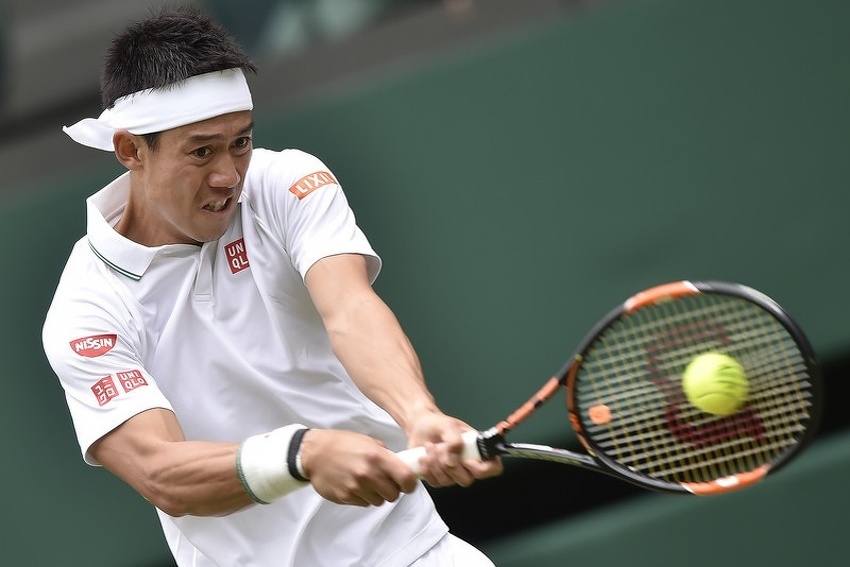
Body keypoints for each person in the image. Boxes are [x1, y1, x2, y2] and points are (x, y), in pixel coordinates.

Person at [42, 5, 501, 566]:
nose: (228, 176)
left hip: (408, 553)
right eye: (201, 150)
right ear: (131, 151)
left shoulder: (286, 183)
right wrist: (299, 455)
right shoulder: (86, 310)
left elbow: (351, 310)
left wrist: (417, 414)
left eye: (241, 142)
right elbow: (161, 472)